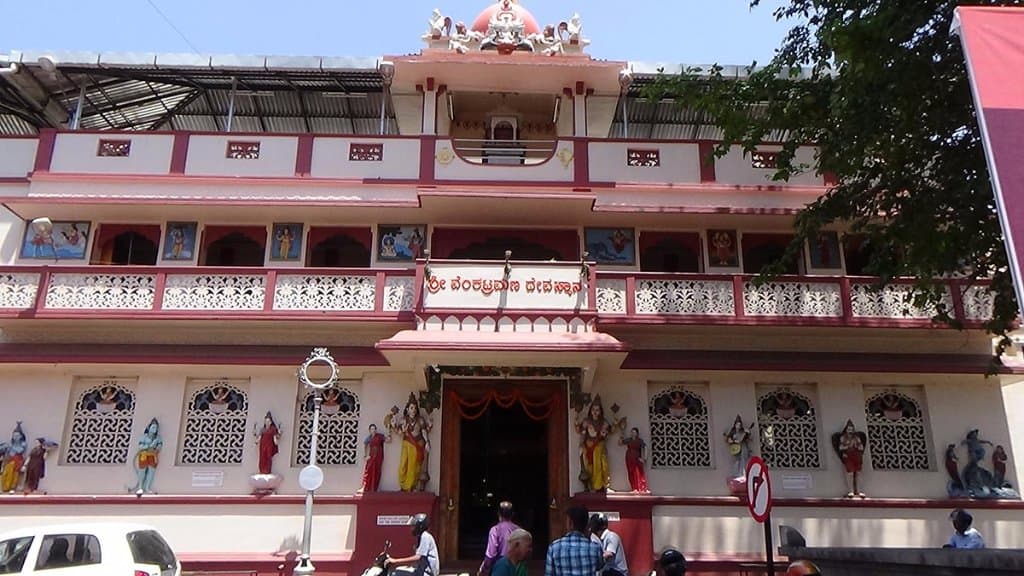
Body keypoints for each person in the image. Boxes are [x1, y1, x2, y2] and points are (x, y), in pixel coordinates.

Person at [390, 394, 432, 492]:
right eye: (411, 408)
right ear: (407, 409)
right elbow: (399, 432)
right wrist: (394, 426)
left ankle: (410, 487)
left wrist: (427, 442)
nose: (413, 410)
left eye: (415, 408)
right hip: (407, 443)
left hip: (417, 444)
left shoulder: (420, 420)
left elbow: (424, 432)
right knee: (403, 466)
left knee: (413, 467)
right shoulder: (403, 420)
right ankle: (403, 485)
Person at [545, 506, 602, 576]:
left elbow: (549, 574)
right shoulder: (595, 548)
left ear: (570, 523)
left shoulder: (554, 547)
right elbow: (599, 566)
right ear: (586, 524)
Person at [575, 396, 612, 492]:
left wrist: (615, 425)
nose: (595, 412)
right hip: (589, 446)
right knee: (591, 466)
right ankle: (593, 486)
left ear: (600, 411)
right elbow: (582, 432)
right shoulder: (586, 422)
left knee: (603, 464)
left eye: (597, 410)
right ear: (590, 410)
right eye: (593, 410)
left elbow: (610, 431)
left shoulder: (604, 422)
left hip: (600, 445)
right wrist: (581, 444)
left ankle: (604, 484)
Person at [479, 501, 520, 576]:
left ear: (498, 514)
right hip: (517, 569)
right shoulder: (519, 530)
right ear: (512, 514)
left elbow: (490, 555)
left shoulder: (495, 530)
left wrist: (483, 569)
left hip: (500, 569)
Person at [132, 418, 163, 495]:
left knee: (151, 472)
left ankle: (147, 487)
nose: (154, 429)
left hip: (152, 455)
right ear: (149, 428)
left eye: (156, 428)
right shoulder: (144, 437)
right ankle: (140, 487)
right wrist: (149, 446)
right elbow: (140, 446)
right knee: (142, 471)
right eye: (153, 427)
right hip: (144, 455)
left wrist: (156, 448)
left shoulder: (157, 438)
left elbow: (159, 446)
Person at [360, 423, 389, 493]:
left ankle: (375, 487)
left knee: (377, 471)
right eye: (372, 429)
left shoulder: (380, 436)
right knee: (368, 470)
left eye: (374, 429)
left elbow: (388, 440)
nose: (373, 430)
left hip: (379, 456)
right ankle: (365, 486)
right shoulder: (369, 438)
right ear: (369, 430)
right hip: (371, 456)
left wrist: (389, 431)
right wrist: (365, 455)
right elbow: (365, 445)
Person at [619, 428, 650, 493]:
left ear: (637, 433)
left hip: (637, 458)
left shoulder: (639, 440)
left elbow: (645, 447)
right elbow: (620, 443)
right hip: (629, 458)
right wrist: (621, 432)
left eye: (634, 432)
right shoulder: (629, 440)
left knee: (639, 473)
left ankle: (641, 488)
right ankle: (634, 488)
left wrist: (644, 458)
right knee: (631, 473)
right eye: (632, 432)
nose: (633, 433)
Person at [0, 422, 27, 493]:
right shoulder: (10, 443)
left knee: (14, 475)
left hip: (17, 461)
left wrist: (10, 447)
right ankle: (4, 487)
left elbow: (20, 450)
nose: (15, 437)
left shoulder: (22, 444)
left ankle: (12, 488)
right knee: (5, 473)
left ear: (21, 436)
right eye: (14, 435)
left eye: (17, 436)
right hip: (8, 460)